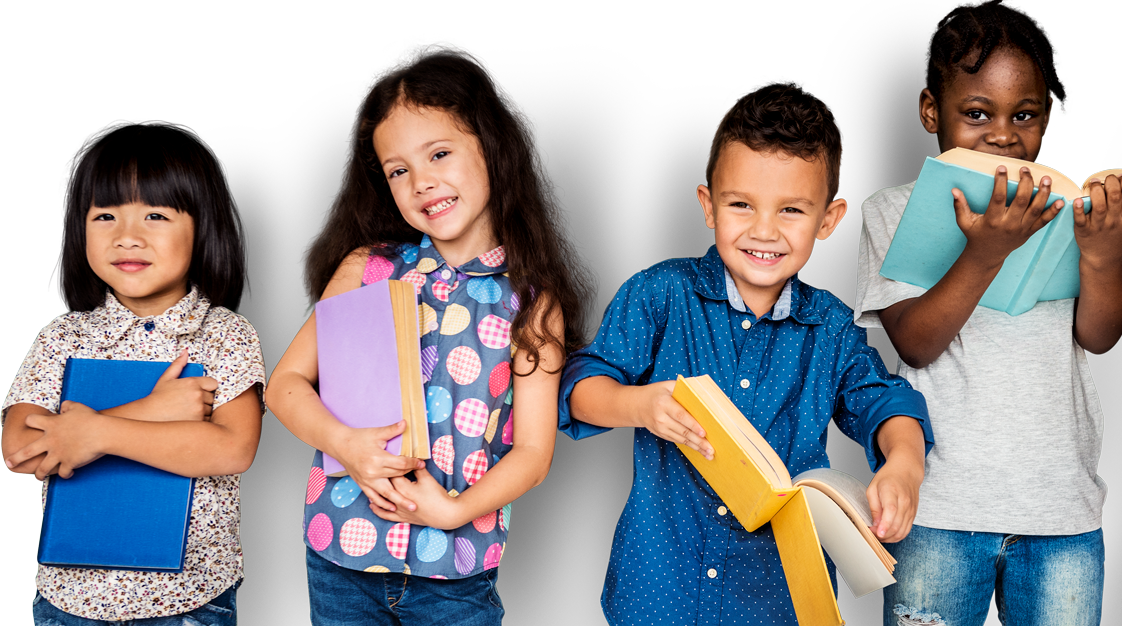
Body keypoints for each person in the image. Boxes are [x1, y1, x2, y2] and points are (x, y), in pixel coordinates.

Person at [559, 75, 934, 626]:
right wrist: (638, 406)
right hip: (657, 591)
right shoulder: (660, 293)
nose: (764, 231)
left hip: (775, 602)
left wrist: (905, 464)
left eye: (791, 211)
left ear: (828, 220)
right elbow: (578, 387)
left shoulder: (829, 326)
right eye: (742, 204)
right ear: (708, 206)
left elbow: (885, 401)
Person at [856, 0, 1122, 625]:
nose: (1002, 134)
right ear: (929, 110)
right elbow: (914, 341)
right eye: (977, 113)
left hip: (1062, 510)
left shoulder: (1070, 210)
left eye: (1023, 115)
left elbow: (1101, 338)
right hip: (940, 508)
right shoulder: (891, 209)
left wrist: (1103, 257)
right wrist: (984, 251)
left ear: (1046, 118)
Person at [265, 37, 587, 625]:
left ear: (492, 145)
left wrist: (453, 510)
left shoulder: (533, 302)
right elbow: (283, 384)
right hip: (341, 557)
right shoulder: (368, 268)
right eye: (399, 169)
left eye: (439, 153)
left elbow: (535, 454)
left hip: (456, 575)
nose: (422, 183)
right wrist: (345, 446)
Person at [3, 120, 264, 625]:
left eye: (156, 215)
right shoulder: (63, 336)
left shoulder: (225, 332)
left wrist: (93, 432)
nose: (127, 236)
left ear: (202, 225)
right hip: (68, 604)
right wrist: (152, 412)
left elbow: (233, 448)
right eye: (104, 216)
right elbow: (21, 448)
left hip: (189, 602)